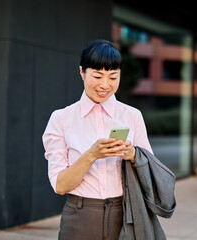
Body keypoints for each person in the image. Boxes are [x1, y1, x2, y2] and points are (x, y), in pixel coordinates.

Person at [42, 39, 154, 240]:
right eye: (97, 75)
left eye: (113, 77)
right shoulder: (61, 118)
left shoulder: (132, 115)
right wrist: (92, 155)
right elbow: (60, 185)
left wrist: (133, 155)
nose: (105, 85)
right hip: (80, 216)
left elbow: (151, 174)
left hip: (125, 214)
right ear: (82, 72)